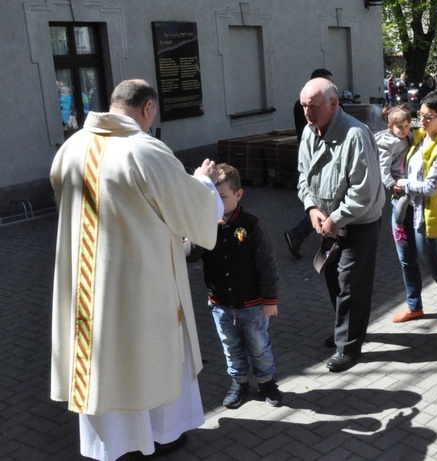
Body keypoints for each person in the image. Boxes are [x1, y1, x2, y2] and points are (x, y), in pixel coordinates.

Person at [50, 79, 223, 460]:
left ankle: (113, 445)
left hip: (85, 285)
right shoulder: (144, 150)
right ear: (147, 109)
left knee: (100, 362)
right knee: (148, 357)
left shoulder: (71, 147)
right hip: (141, 283)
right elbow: (193, 210)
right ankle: (160, 435)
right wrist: (205, 183)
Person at [297, 77, 384, 372]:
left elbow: (364, 191)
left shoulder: (356, 135)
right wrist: (311, 207)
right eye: (304, 106)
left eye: (313, 106)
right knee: (333, 278)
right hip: (327, 223)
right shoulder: (310, 133)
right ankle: (346, 330)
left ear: (333, 104)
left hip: (358, 223)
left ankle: (348, 346)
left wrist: (337, 218)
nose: (307, 113)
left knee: (351, 284)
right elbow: (302, 177)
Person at [185, 164, 283, 409]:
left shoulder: (251, 223)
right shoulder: (205, 224)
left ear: (238, 195)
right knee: (231, 347)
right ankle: (239, 382)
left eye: (222, 197)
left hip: (252, 304)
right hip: (220, 304)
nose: (216, 202)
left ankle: (266, 381)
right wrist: (201, 228)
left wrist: (270, 300)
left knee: (259, 346)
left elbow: (267, 264)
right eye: (211, 197)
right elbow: (189, 254)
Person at [390, 89, 437, 329]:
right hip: (405, 209)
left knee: (430, 261)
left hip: (424, 213)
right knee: (406, 261)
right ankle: (415, 307)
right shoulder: (419, 135)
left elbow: (430, 187)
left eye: (427, 116)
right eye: (419, 114)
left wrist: (402, 183)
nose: (421, 120)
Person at [286, 68, 334, 260]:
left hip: (312, 151)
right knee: (321, 200)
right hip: (316, 153)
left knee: (320, 200)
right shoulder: (307, 106)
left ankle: (298, 234)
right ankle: (297, 234)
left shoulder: (302, 104)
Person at [375, 105, 413, 247]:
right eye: (400, 127)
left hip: (407, 175)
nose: (404, 130)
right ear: (391, 126)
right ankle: (398, 226)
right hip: (397, 178)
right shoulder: (386, 144)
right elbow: (383, 166)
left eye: (407, 126)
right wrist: (390, 183)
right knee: (403, 201)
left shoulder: (408, 135)